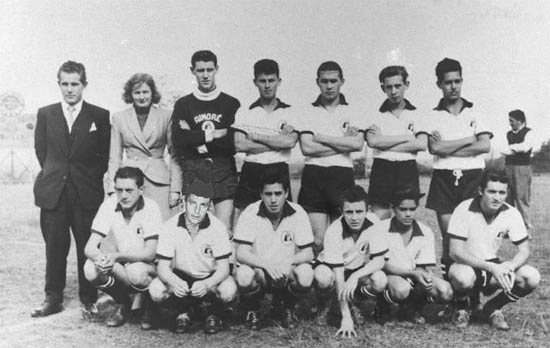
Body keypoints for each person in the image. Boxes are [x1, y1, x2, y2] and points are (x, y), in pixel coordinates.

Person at [32, 60, 110, 318]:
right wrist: (57, 175)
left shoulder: (99, 115)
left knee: (86, 246)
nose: (69, 89)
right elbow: (42, 151)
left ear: (84, 85)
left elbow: (103, 156)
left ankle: (89, 299)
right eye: (64, 84)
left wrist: (85, 179)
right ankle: (52, 298)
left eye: (74, 84)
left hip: (85, 192)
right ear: (59, 85)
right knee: (54, 247)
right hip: (54, 191)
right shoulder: (46, 113)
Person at [447, 169, 540, 330]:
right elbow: (455, 252)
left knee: (531, 277)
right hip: (465, 265)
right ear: (481, 191)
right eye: (491, 191)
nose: (497, 197)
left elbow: (524, 251)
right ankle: (462, 307)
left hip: (492, 265)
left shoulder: (512, 213)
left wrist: (510, 267)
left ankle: (492, 308)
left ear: (507, 193)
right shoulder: (464, 208)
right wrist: (492, 267)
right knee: (463, 277)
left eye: (502, 192)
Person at [425, 58, 493, 275]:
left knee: (473, 236)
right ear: (439, 84)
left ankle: (473, 292)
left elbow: (484, 145)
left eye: (457, 81)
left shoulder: (476, 111)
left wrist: (447, 146)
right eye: (448, 82)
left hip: (472, 177)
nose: (453, 87)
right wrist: (467, 139)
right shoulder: (432, 114)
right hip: (443, 178)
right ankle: (451, 291)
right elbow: (435, 149)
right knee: (449, 237)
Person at [149, 179, 237, 334]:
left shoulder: (217, 227)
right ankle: (184, 311)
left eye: (203, 205)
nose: (197, 210)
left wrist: (207, 283)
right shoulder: (170, 226)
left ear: (209, 206)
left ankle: (214, 312)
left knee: (229, 290)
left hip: (208, 276)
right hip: (182, 276)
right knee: (156, 289)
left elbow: (224, 269)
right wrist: (175, 281)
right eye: (192, 203)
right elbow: (162, 267)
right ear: (183, 202)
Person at [295, 61, 365, 255]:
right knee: (316, 241)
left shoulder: (354, 110)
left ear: (342, 81)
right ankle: (317, 282)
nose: (329, 86)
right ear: (317, 82)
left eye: (333, 81)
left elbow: (358, 144)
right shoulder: (308, 111)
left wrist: (323, 139)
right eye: (324, 81)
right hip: (314, 177)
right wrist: (343, 143)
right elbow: (307, 147)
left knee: (340, 238)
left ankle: (338, 283)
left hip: (341, 176)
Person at [233, 168, 314, 330]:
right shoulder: (250, 212)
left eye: (278, 193)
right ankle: (253, 308)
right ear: (261, 194)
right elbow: (241, 253)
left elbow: (309, 253)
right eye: (268, 194)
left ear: (286, 193)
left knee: (306, 274)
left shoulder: (298, 212)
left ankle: (285, 307)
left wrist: (288, 262)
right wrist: (266, 265)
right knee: (243, 275)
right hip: (260, 271)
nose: (273, 200)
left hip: (285, 271)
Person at [83, 167, 162, 328]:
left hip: (149, 267)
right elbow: (89, 248)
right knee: (90, 269)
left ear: (141, 190)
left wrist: (117, 257)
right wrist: (103, 260)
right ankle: (123, 303)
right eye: (119, 190)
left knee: (136, 272)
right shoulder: (109, 205)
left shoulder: (151, 207)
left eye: (129, 190)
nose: (123, 196)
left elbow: (150, 253)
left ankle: (150, 304)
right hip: (124, 264)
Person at [171, 50, 241, 231]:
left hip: (223, 170)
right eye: (200, 70)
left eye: (209, 70)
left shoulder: (230, 103)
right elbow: (179, 140)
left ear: (216, 69)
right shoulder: (184, 104)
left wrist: (194, 137)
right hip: (194, 169)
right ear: (192, 71)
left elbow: (230, 143)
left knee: (223, 229)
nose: (205, 75)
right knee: (194, 226)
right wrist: (212, 135)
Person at [314, 185, 387, 338]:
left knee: (380, 280)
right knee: (323, 277)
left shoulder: (374, 222)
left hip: (355, 270)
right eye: (349, 212)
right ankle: (327, 303)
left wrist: (354, 277)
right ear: (341, 212)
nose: (354, 218)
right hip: (332, 270)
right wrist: (346, 318)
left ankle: (355, 301)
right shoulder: (334, 231)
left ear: (368, 210)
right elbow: (339, 273)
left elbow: (379, 261)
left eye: (359, 211)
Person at [107, 73, 182, 221]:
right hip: (129, 181)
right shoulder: (119, 118)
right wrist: (111, 188)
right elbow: (114, 157)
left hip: (159, 182)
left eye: (145, 92)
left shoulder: (166, 116)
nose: (142, 97)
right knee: (130, 227)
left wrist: (175, 189)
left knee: (160, 226)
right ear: (130, 95)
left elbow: (175, 156)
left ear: (152, 93)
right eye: (137, 92)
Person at [233, 59, 298, 223]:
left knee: (280, 221)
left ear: (279, 81)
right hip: (252, 170)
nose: (267, 85)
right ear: (255, 82)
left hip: (279, 168)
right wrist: (277, 141)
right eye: (262, 81)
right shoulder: (245, 111)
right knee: (245, 220)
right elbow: (239, 144)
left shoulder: (290, 111)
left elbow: (289, 143)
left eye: (271, 80)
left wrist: (256, 137)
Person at [376, 186, 453, 324]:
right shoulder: (381, 228)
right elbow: (381, 264)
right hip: (389, 275)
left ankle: (411, 308)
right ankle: (382, 305)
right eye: (403, 209)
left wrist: (423, 276)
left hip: (413, 276)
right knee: (401, 289)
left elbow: (424, 266)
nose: (408, 214)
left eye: (412, 209)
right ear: (393, 208)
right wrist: (412, 274)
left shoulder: (425, 231)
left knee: (445, 291)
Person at [365, 66, 428, 220]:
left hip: (407, 169)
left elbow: (421, 144)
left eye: (398, 86)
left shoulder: (418, 113)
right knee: (379, 220)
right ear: (383, 88)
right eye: (389, 87)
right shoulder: (374, 113)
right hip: (382, 168)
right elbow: (373, 142)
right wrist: (407, 137)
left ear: (407, 84)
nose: (393, 91)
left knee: (406, 220)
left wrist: (383, 142)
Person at [502, 109, 533, 229]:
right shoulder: (509, 134)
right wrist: (513, 150)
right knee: (508, 198)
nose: (510, 123)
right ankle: (511, 228)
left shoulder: (529, 132)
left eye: (512, 121)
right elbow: (503, 150)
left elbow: (525, 148)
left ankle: (525, 228)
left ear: (520, 121)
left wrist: (510, 149)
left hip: (522, 169)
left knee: (521, 199)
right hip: (508, 167)